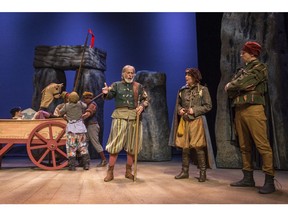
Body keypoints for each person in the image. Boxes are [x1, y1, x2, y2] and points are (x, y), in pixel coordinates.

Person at [225, 41, 276, 194]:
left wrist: (235, 85)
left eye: (244, 52)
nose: (241, 54)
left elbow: (242, 84)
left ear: (252, 53)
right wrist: (236, 86)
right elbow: (231, 91)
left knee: (262, 145)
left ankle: (269, 180)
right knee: (244, 146)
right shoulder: (241, 70)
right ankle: (248, 177)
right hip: (240, 110)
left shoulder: (260, 68)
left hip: (254, 109)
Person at [102, 65, 149, 182]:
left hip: (134, 117)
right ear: (123, 74)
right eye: (128, 73)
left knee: (132, 147)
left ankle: (128, 171)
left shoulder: (138, 86)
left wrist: (142, 106)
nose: (130, 75)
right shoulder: (116, 85)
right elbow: (109, 96)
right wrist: (106, 92)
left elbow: (146, 99)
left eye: (132, 73)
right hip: (120, 117)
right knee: (115, 146)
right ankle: (110, 172)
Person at [172, 68, 214, 182]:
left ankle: (202, 172)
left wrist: (194, 110)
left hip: (197, 121)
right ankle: (185, 171)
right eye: (185, 75)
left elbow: (208, 106)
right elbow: (178, 104)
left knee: (198, 147)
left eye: (189, 75)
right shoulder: (183, 90)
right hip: (185, 121)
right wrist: (180, 110)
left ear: (194, 77)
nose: (186, 77)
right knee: (185, 148)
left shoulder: (203, 89)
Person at [59, 91, 90, 171]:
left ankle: (72, 166)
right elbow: (85, 106)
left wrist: (65, 116)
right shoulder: (80, 104)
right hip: (80, 128)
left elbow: (60, 112)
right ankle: (86, 165)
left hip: (72, 130)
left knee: (71, 147)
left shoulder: (66, 106)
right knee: (83, 146)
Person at [82, 91, 107, 167]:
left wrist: (79, 117)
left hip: (92, 126)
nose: (84, 100)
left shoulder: (92, 105)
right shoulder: (87, 104)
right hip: (87, 126)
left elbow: (88, 113)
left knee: (96, 143)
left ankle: (104, 160)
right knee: (84, 144)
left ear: (89, 98)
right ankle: (85, 161)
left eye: (85, 99)